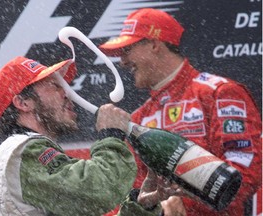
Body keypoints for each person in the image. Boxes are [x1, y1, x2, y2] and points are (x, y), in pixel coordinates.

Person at [99, 8, 262, 216]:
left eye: (127, 50)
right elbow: (133, 191)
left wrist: (186, 203)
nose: (122, 61)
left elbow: (244, 177)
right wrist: (150, 205)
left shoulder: (219, 93)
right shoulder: (140, 118)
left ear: (154, 45)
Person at [0, 56, 137, 216]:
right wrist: (110, 136)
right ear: (23, 103)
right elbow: (99, 191)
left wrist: (140, 208)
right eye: (55, 86)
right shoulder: (23, 152)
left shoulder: (24, 153)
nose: (68, 94)